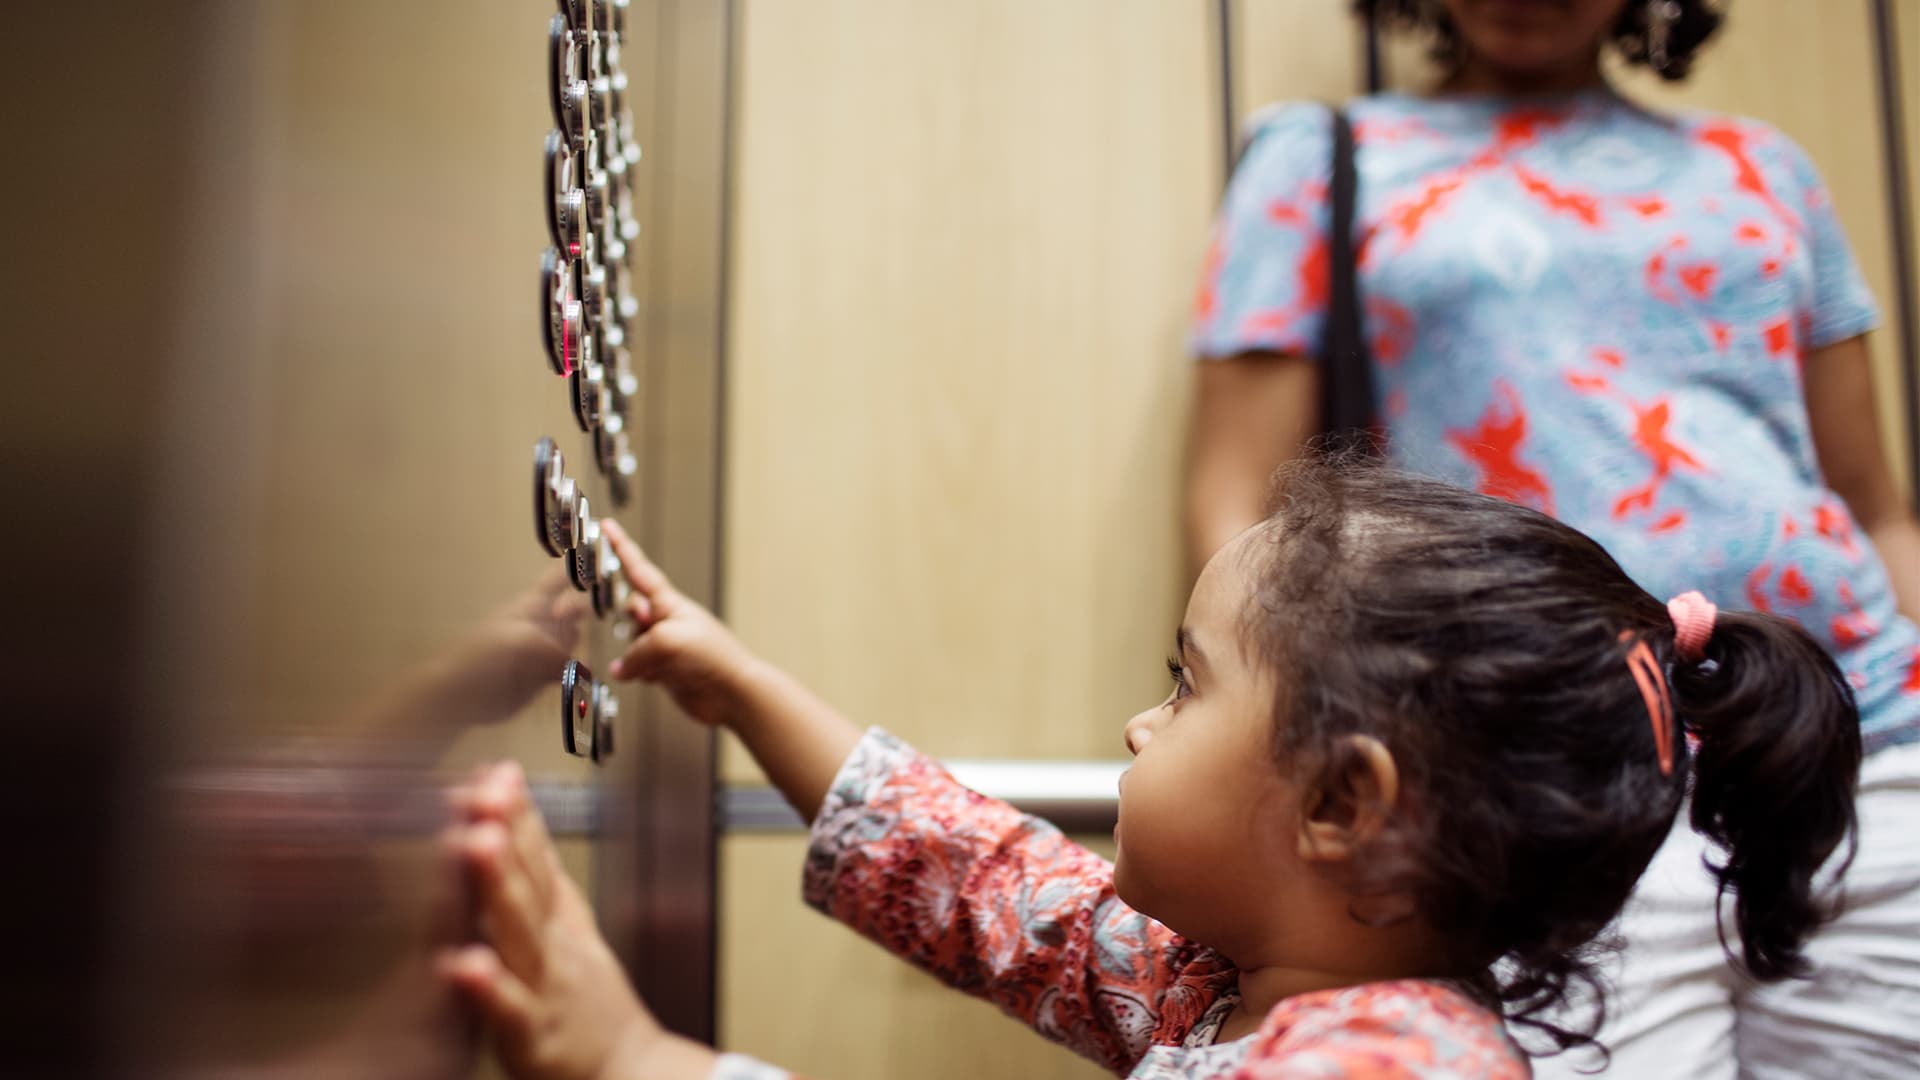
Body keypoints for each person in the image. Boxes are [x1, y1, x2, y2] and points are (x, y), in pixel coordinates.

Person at [439, 464, 1859, 1079]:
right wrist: (740, 686)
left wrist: (640, 1060)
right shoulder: (1238, 982)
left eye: (1187, 686)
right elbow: (978, 876)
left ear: (1339, 805)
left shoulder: (1394, 1064)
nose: (1140, 726)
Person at [1185, 1, 1920, 1074]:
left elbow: (1876, 504)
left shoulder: (1763, 165)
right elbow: (1241, 502)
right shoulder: (1322, 160)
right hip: (1543, 783)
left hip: (1865, 750)